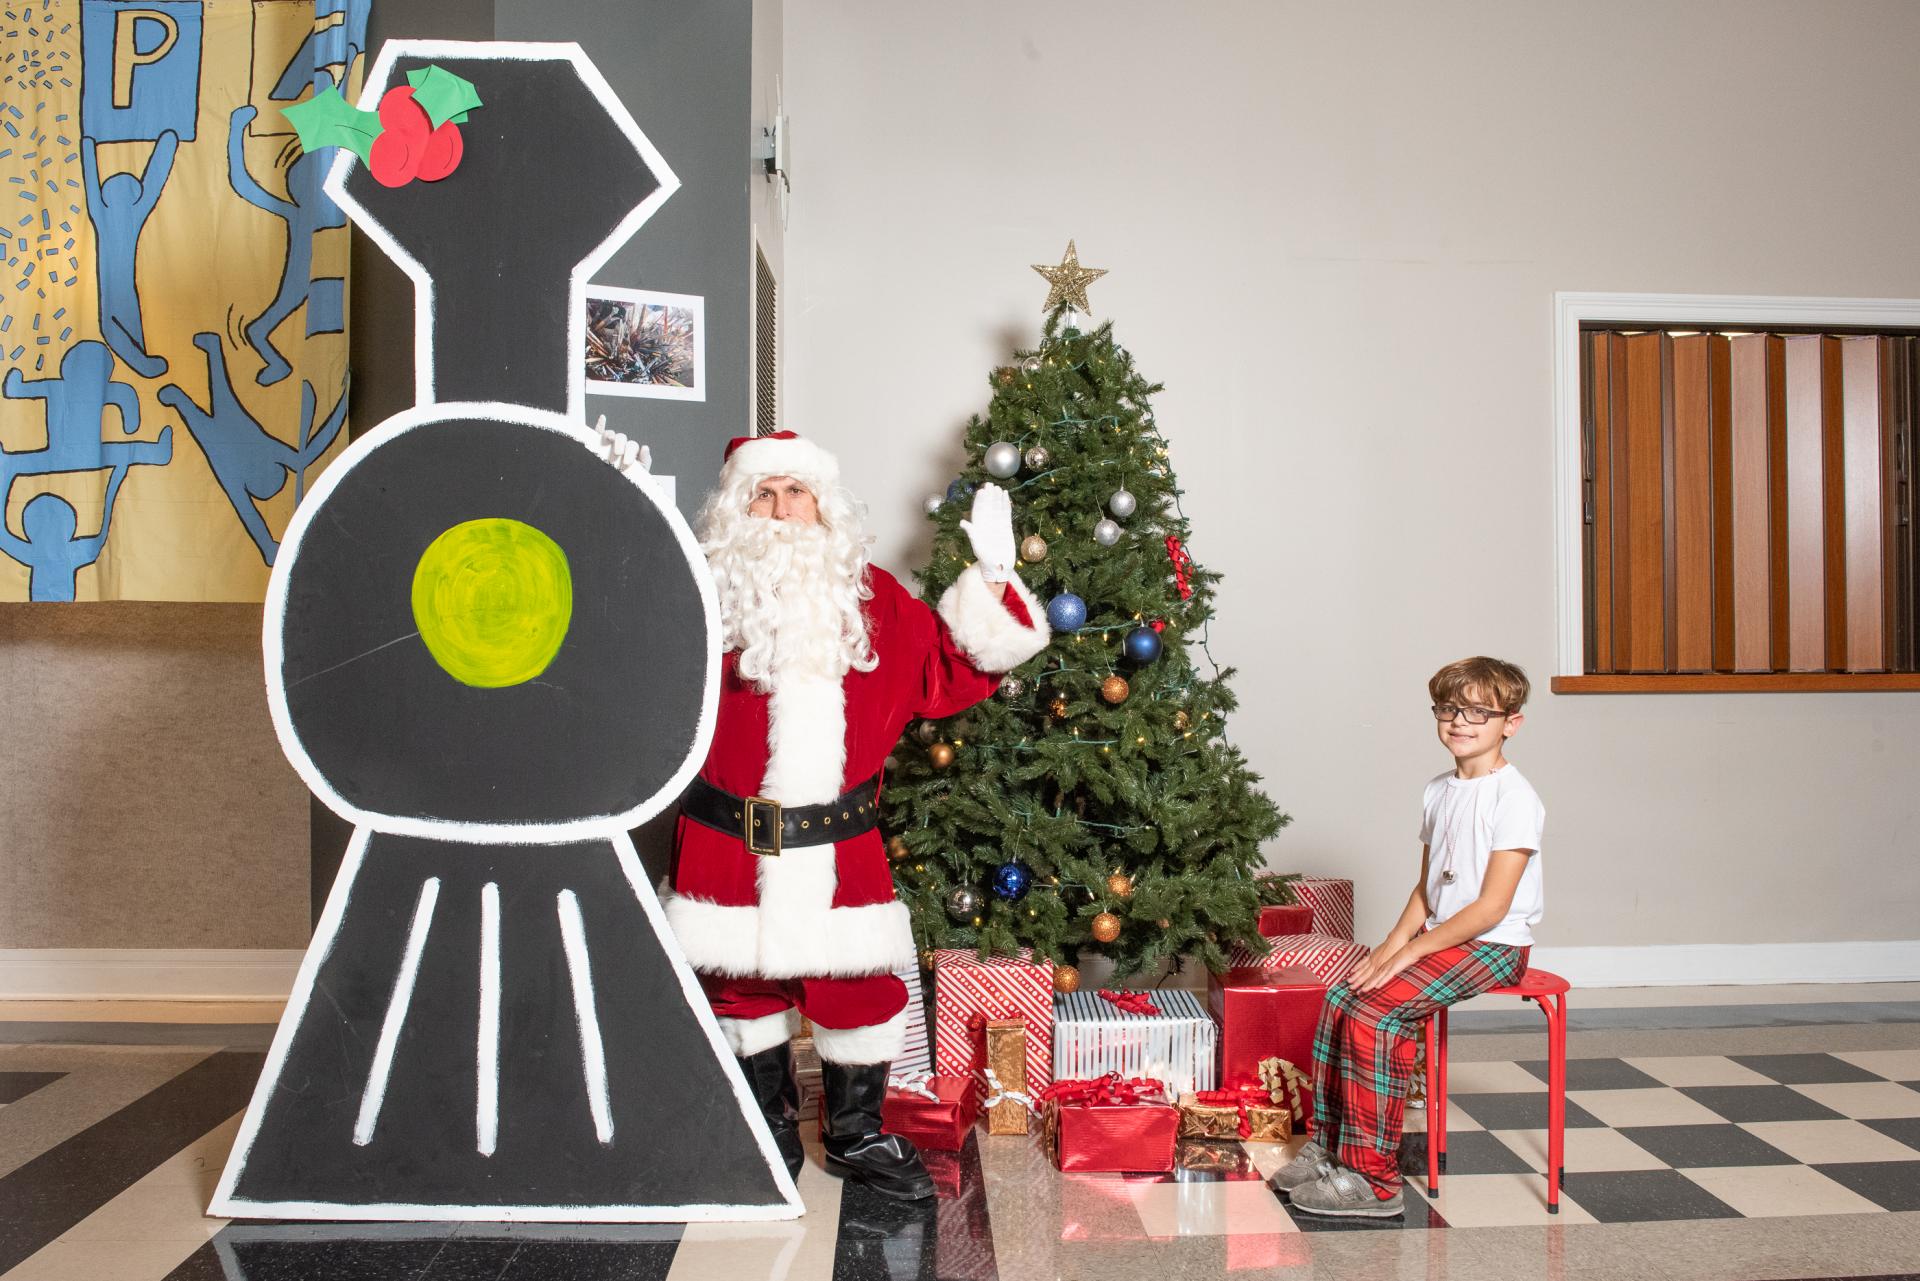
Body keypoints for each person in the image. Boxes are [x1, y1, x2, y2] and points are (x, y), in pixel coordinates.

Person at [596, 427, 1048, 1200]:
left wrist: (994, 581)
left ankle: (857, 1133)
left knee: (860, 988)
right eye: (762, 494)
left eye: (795, 492)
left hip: (842, 847)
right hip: (724, 840)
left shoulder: (875, 602)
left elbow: (954, 667)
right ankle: (763, 1123)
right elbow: (612, 646)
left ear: (823, 507)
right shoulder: (699, 593)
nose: (780, 510)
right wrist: (615, 513)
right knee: (737, 986)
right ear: (738, 510)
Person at [1270, 656, 1546, 1217]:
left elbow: (1492, 908)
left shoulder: (1515, 798)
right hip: (1443, 936)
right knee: (1344, 997)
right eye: (1449, 709)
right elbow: (1427, 888)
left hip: (1494, 946)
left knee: (1379, 1015)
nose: (1460, 721)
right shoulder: (1439, 789)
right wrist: (1388, 949)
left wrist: (1414, 952)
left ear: (1510, 723)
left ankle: (1375, 1181)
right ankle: (1333, 1147)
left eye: (1478, 712)